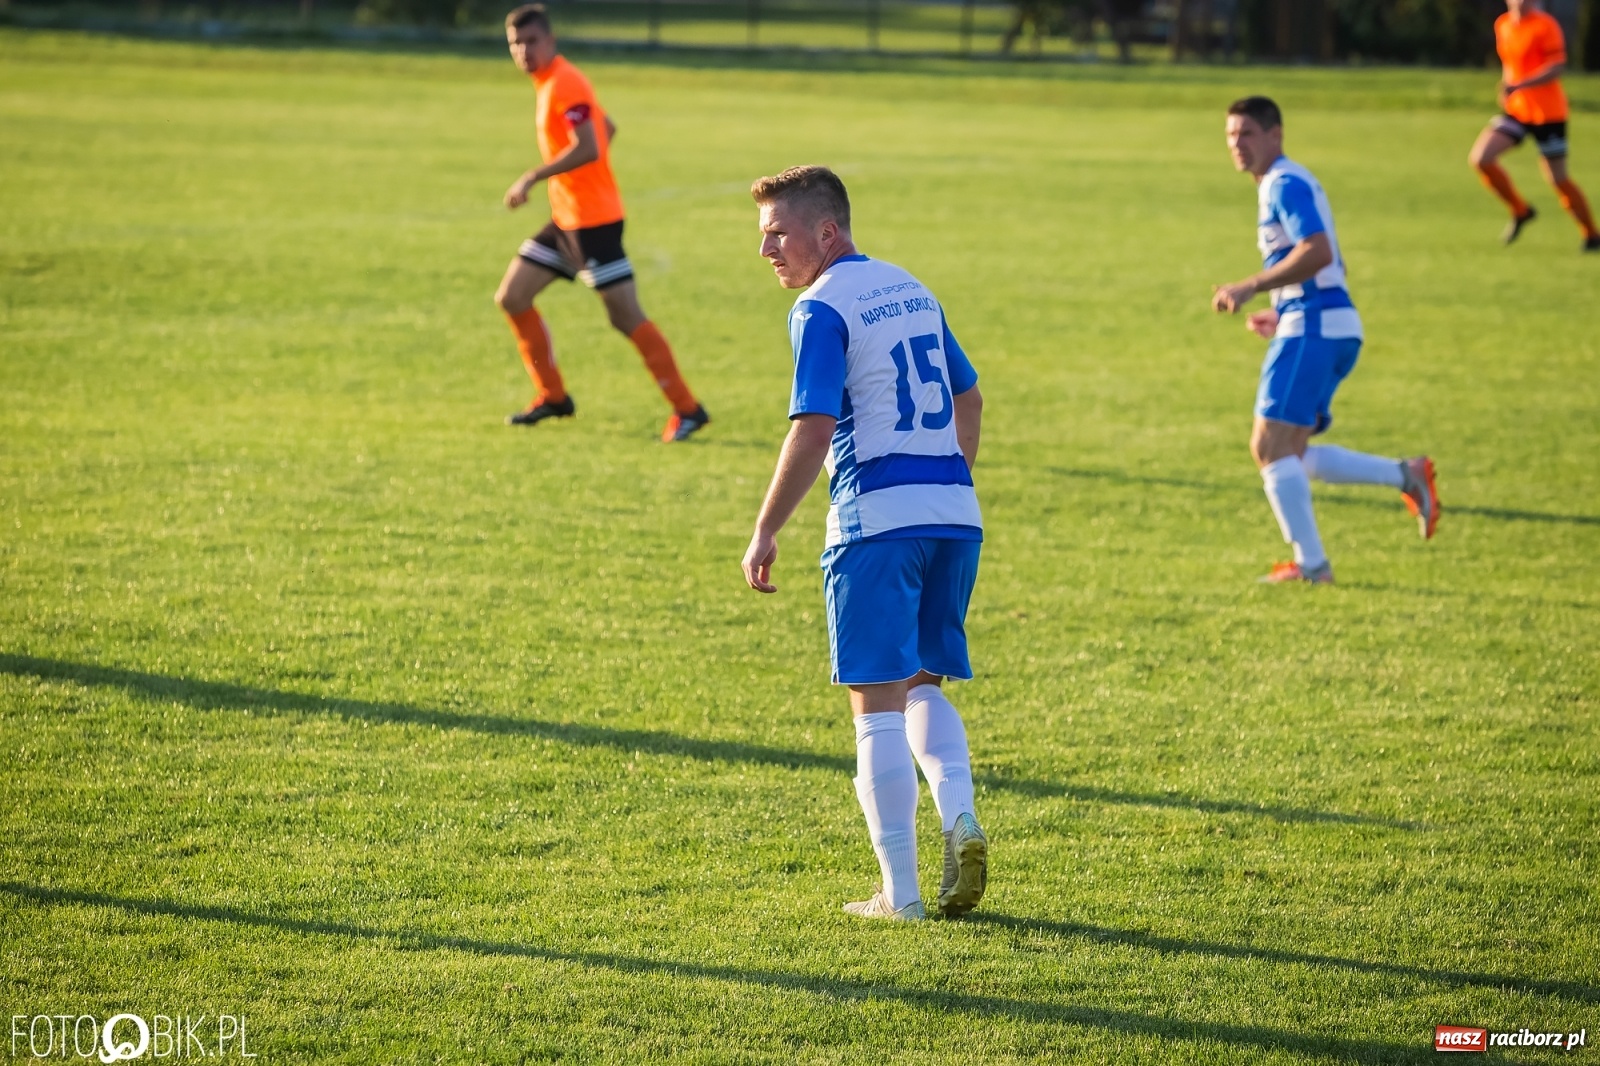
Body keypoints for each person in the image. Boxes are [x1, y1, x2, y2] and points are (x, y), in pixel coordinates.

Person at [741, 166, 988, 921]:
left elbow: (813, 428)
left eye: (778, 234)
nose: (767, 251)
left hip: (874, 522)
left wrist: (767, 526)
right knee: (921, 684)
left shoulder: (820, 308)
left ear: (827, 231)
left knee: (874, 703)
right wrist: (947, 483)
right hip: (952, 512)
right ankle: (960, 815)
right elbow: (968, 392)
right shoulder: (910, 284)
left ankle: (902, 896)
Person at [1212, 97, 1440, 585]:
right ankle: (1407, 475)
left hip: (1315, 326)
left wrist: (1253, 285)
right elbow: (1329, 265)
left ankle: (1313, 566)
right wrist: (1280, 311)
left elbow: (1318, 252)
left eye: (1248, 133)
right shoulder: (1284, 182)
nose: (1237, 144)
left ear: (1276, 134)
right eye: (1231, 135)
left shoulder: (1284, 182)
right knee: (1288, 450)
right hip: (1322, 322)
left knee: (1269, 446)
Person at [495, 4, 711, 441]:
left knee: (626, 317)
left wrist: (534, 176)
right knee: (513, 297)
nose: (524, 51)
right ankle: (553, 397)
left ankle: (688, 409)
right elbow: (606, 126)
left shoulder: (563, 82)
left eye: (532, 41)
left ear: (551, 42)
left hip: (594, 223)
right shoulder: (551, 83)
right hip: (566, 220)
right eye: (516, 44)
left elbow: (590, 145)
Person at [1467, 0, 1599, 250]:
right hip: (1518, 110)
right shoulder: (1503, 24)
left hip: (1549, 113)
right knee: (1481, 158)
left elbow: (1557, 66)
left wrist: (1521, 84)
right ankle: (1521, 210)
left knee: (1558, 178)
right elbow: (1509, 63)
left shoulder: (1545, 25)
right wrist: (1507, 87)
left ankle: (1591, 234)